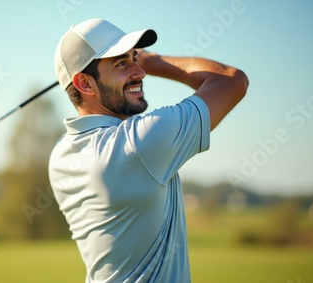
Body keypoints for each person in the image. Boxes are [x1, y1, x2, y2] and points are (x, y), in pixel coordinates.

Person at [49, 18, 248, 283]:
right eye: (121, 64)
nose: (139, 72)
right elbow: (232, 81)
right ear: (85, 84)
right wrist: (154, 61)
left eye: (135, 59)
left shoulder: (60, 155)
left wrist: (128, 62)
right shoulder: (140, 143)